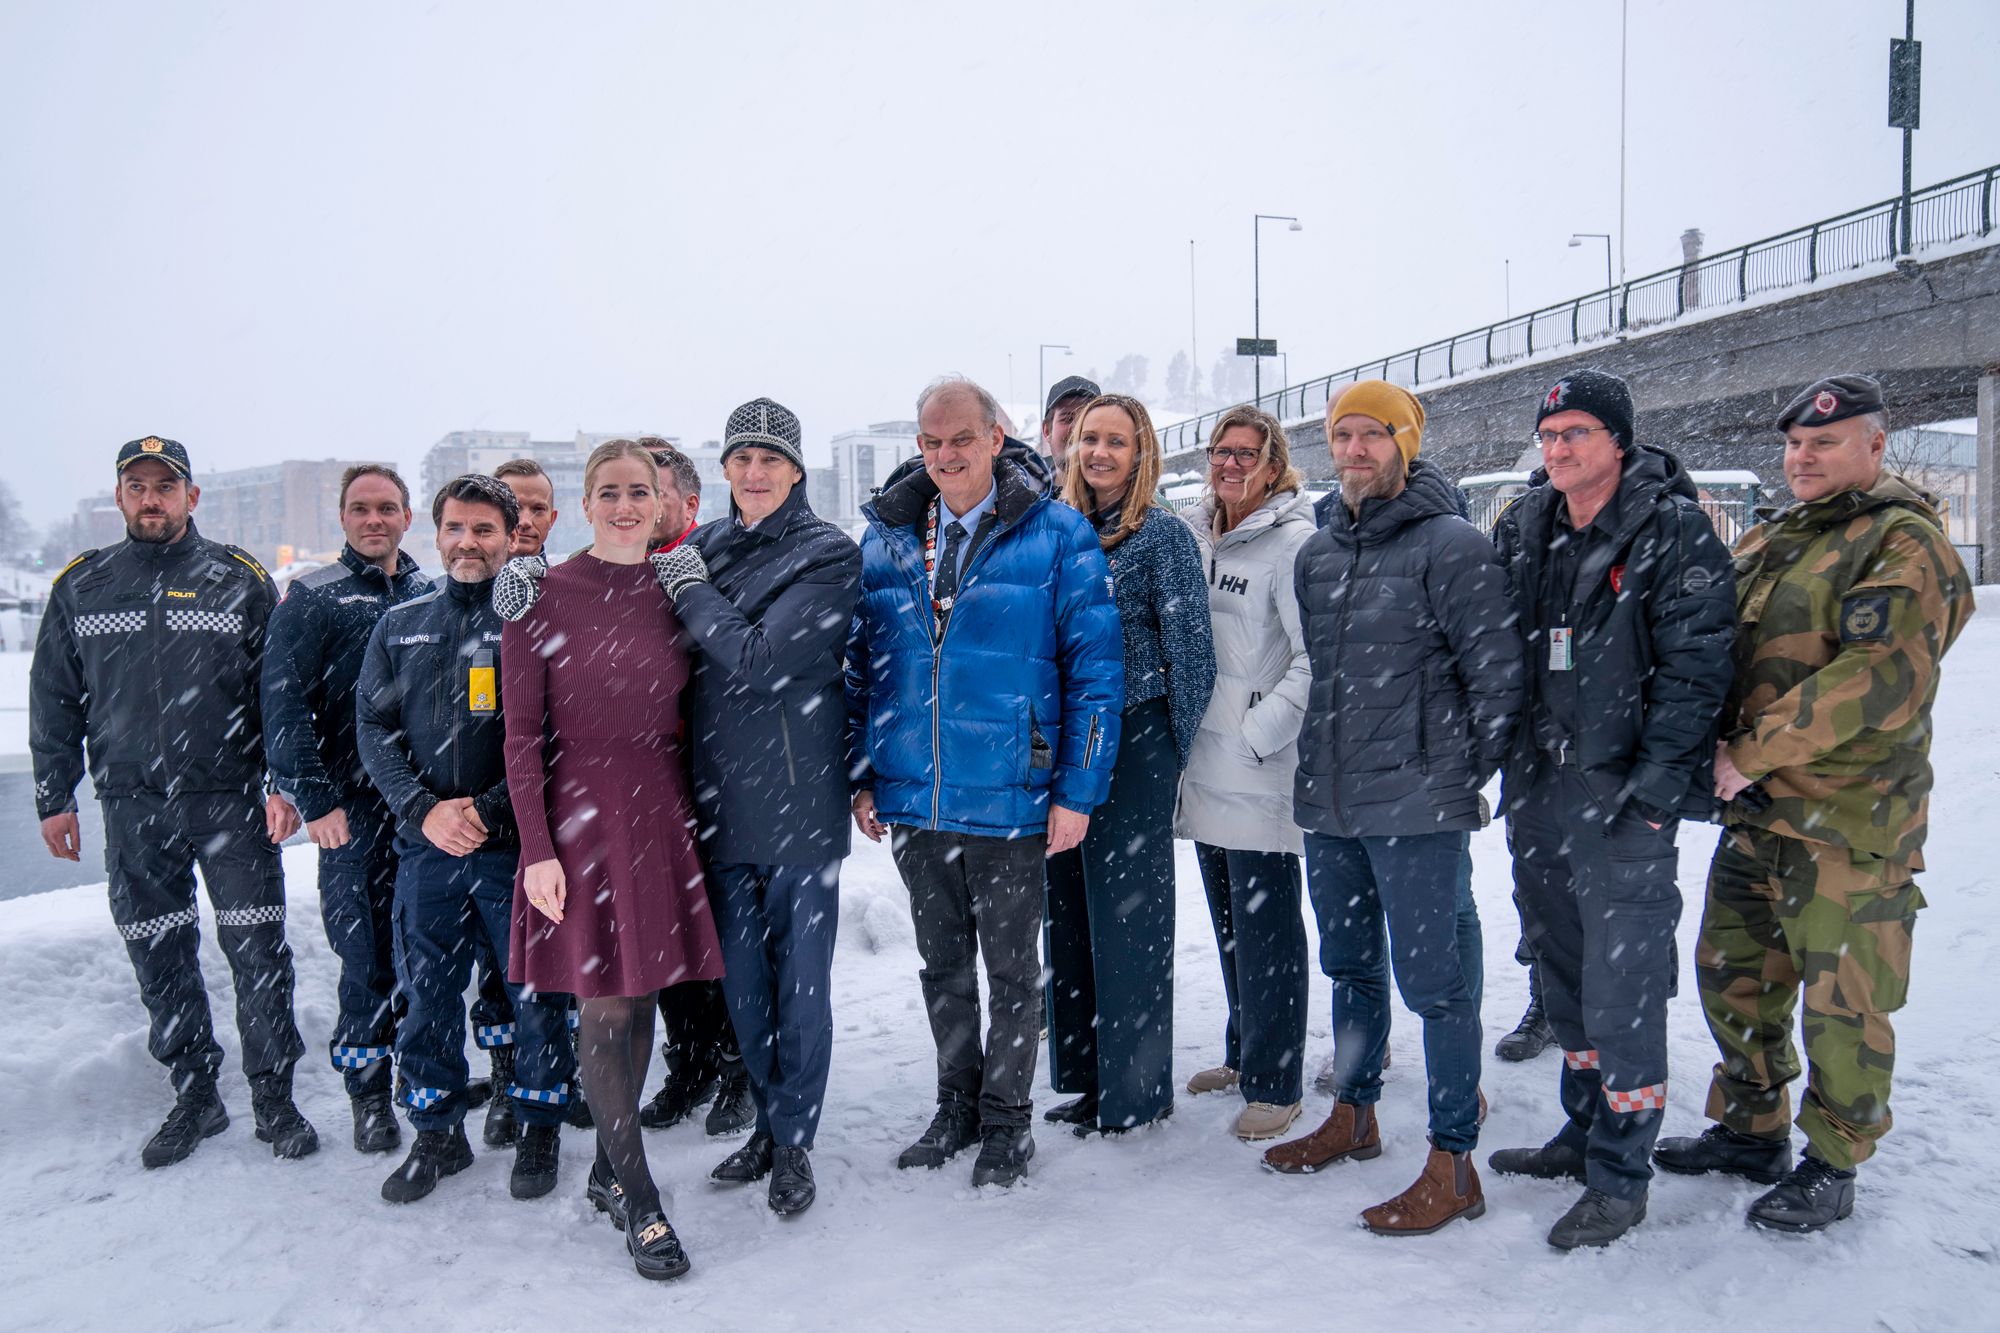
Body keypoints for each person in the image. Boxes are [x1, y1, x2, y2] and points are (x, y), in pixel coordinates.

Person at [1654, 374, 1975, 1233]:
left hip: (1849, 820)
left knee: (1844, 1002)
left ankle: (1834, 1159)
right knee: (1734, 976)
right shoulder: (1777, 536)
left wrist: (1749, 751)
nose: (1804, 457)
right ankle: (1751, 1127)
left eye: (1825, 443)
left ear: (1875, 445)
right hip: (1759, 811)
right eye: (1795, 444)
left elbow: (1875, 679)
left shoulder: (1903, 543)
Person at [848, 375, 1122, 1187]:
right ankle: (956, 1104)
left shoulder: (1059, 534)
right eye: (930, 442)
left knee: (1011, 970)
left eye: (960, 439)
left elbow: (1095, 672)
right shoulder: (891, 536)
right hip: (919, 793)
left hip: (1011, 791)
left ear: (996, 437)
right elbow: (864, 668)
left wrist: (1077, 789)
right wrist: (863, 773)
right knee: (942, 967)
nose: (944, 456)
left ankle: (1007, 1120)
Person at [1261, 382, 1521, 1238]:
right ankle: (1355, 1114)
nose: (1356, 449)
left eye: (1375, 434)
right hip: (1331, 803)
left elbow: (1497, 681)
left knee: (1436, 986)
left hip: (1415, 804)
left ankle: (1454, 1161)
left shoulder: (1451, 546)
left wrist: (1448, 780)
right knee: (1351, 967)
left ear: (1406, 444)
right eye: (1344, 435)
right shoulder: (1319, 553)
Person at [1486, 369, 1736, 1249]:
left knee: (1624, 984)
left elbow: (1699, 667)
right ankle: (1582, 1128)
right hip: (1542, 791)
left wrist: (1660, 787)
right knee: (1564, 968)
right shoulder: (1528, 526)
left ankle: (1622, 1173)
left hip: (1625, 799)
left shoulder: (1671, 530)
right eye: (1549, 437)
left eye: (1577, 435)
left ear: (1619, 441)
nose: (1558, 451)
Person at [30, 435, 316, 1168]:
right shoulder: (83, 586)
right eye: (138, 485)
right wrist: (53, 794)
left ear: (192, 496)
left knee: (257, 950)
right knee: (159, 950)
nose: (151, 497)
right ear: (120, 496)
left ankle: (273, 1094)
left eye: (166, 485)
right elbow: (55, 699)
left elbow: (276, 692)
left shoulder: (238, 578)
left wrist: (284, 782)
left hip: (230, 800)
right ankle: (195, 1092)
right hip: (131, 805)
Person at [631, 400, 862, 1214]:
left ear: (796, 470)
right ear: (723, 471)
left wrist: (696, 601)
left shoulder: (828, 552)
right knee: (746, 988)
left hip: (799, 802)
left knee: (800, 982)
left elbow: (764, 658)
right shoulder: (702, 546)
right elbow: (637, 628)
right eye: (741, 459)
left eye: (770, 459)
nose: (755, 473)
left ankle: (795, 1139)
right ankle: (768, 1119)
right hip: (720, 799)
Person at [506, 440, 722, 1280]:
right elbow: (520, 736)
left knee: (639, 1002)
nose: (626, 505)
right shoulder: (540, 592)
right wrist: (536, 849)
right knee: (603, 1007)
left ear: (661, 501)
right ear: (584, 503)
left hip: (658, 809)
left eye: (640, 491)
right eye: (609, 492)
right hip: (579, 819)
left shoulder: (679, 590)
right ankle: (640, 1197)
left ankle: (606, 1165)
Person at [354, 475, 576, 1205]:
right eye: (455, 528)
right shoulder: (401, 624)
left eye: (485, 529)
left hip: (515, 844)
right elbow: (374, 730)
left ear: (512, 536)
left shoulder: (537, 620)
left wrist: (485, 808)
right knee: (429, 994)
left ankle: (540, 1119)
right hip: (428, 848)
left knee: (534, 991)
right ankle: (436, 1130)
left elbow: (556, 737)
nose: (468, 543)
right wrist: (422, 810)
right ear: (436, 532)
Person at [1042, 394, 1213, 1137]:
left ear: (1141, 453)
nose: (1100, 452)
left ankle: (1136, 1090)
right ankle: (1087, 1076)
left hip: (1137, 736)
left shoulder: (1162, 536)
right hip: (1068, 741)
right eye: (1090, 439)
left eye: (1117, 440)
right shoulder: (1059, 533)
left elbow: (1194, 655)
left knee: (1131, 919)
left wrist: (1169, 751)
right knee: (1071, 912)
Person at [261, 464, 430, 1156]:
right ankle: (366, 1086)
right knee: (363, 955)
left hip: (420, 804)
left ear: (407, 516)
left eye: (386, 507)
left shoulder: (429, 590)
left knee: (422, 951)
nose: (374, 519)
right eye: (361, 508)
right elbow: (283, 701)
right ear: (343, 518)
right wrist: (315, 797)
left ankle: (415, 1077)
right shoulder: (314, 596)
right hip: (351, 809)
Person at [1174, 405, 1317, 1142]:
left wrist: (1258, 733)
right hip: (1203, 763)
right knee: (1231, 924)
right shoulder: (1198, 533)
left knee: (1267, 928)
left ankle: (1277, 1079)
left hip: (1255, 766)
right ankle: (1243, 1049)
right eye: (1220, 452)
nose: (1229, 465)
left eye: (1245, 454)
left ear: (1273, 464)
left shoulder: (1294, 545)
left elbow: (1312, 657)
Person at [633, 438, 754, 1140]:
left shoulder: (712, 567)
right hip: (649, 785)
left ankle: (736, 1063)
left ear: (686, 502)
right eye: (626, 488)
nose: (638, 503)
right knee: (667, 932)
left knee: (723, 932)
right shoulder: (620, 573)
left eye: (652, 488)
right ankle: (690, 1062)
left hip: (715, 776)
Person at [1039, 374, 1101, 475]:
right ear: (1046, 431)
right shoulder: (1022, 486)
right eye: (1068, 418)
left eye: (1086, 419)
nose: (1077, 429)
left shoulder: (1127, 488)